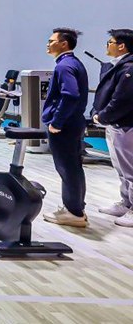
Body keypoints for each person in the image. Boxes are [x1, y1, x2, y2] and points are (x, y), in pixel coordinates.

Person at [42, 28, 89, 228]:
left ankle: (73, 212)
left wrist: (57, 121)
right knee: (74, 167)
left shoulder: (64, 66)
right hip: (74, 122)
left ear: (63, 44)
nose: (47, 44)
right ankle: (76, 208)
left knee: (67, 168)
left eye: (51, 41)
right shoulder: (74, 62)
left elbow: (70, 95)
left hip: (65, 126)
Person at [92, 29, 133, 227]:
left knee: (131, 169)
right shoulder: (119, 66)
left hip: (126, 125)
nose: (107, 46)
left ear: (121, 46)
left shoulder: (130, 67)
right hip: (114, 124)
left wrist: (103, 116)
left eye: (110, 42)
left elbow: (122, 100)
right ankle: (126, 203)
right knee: (121, 168)